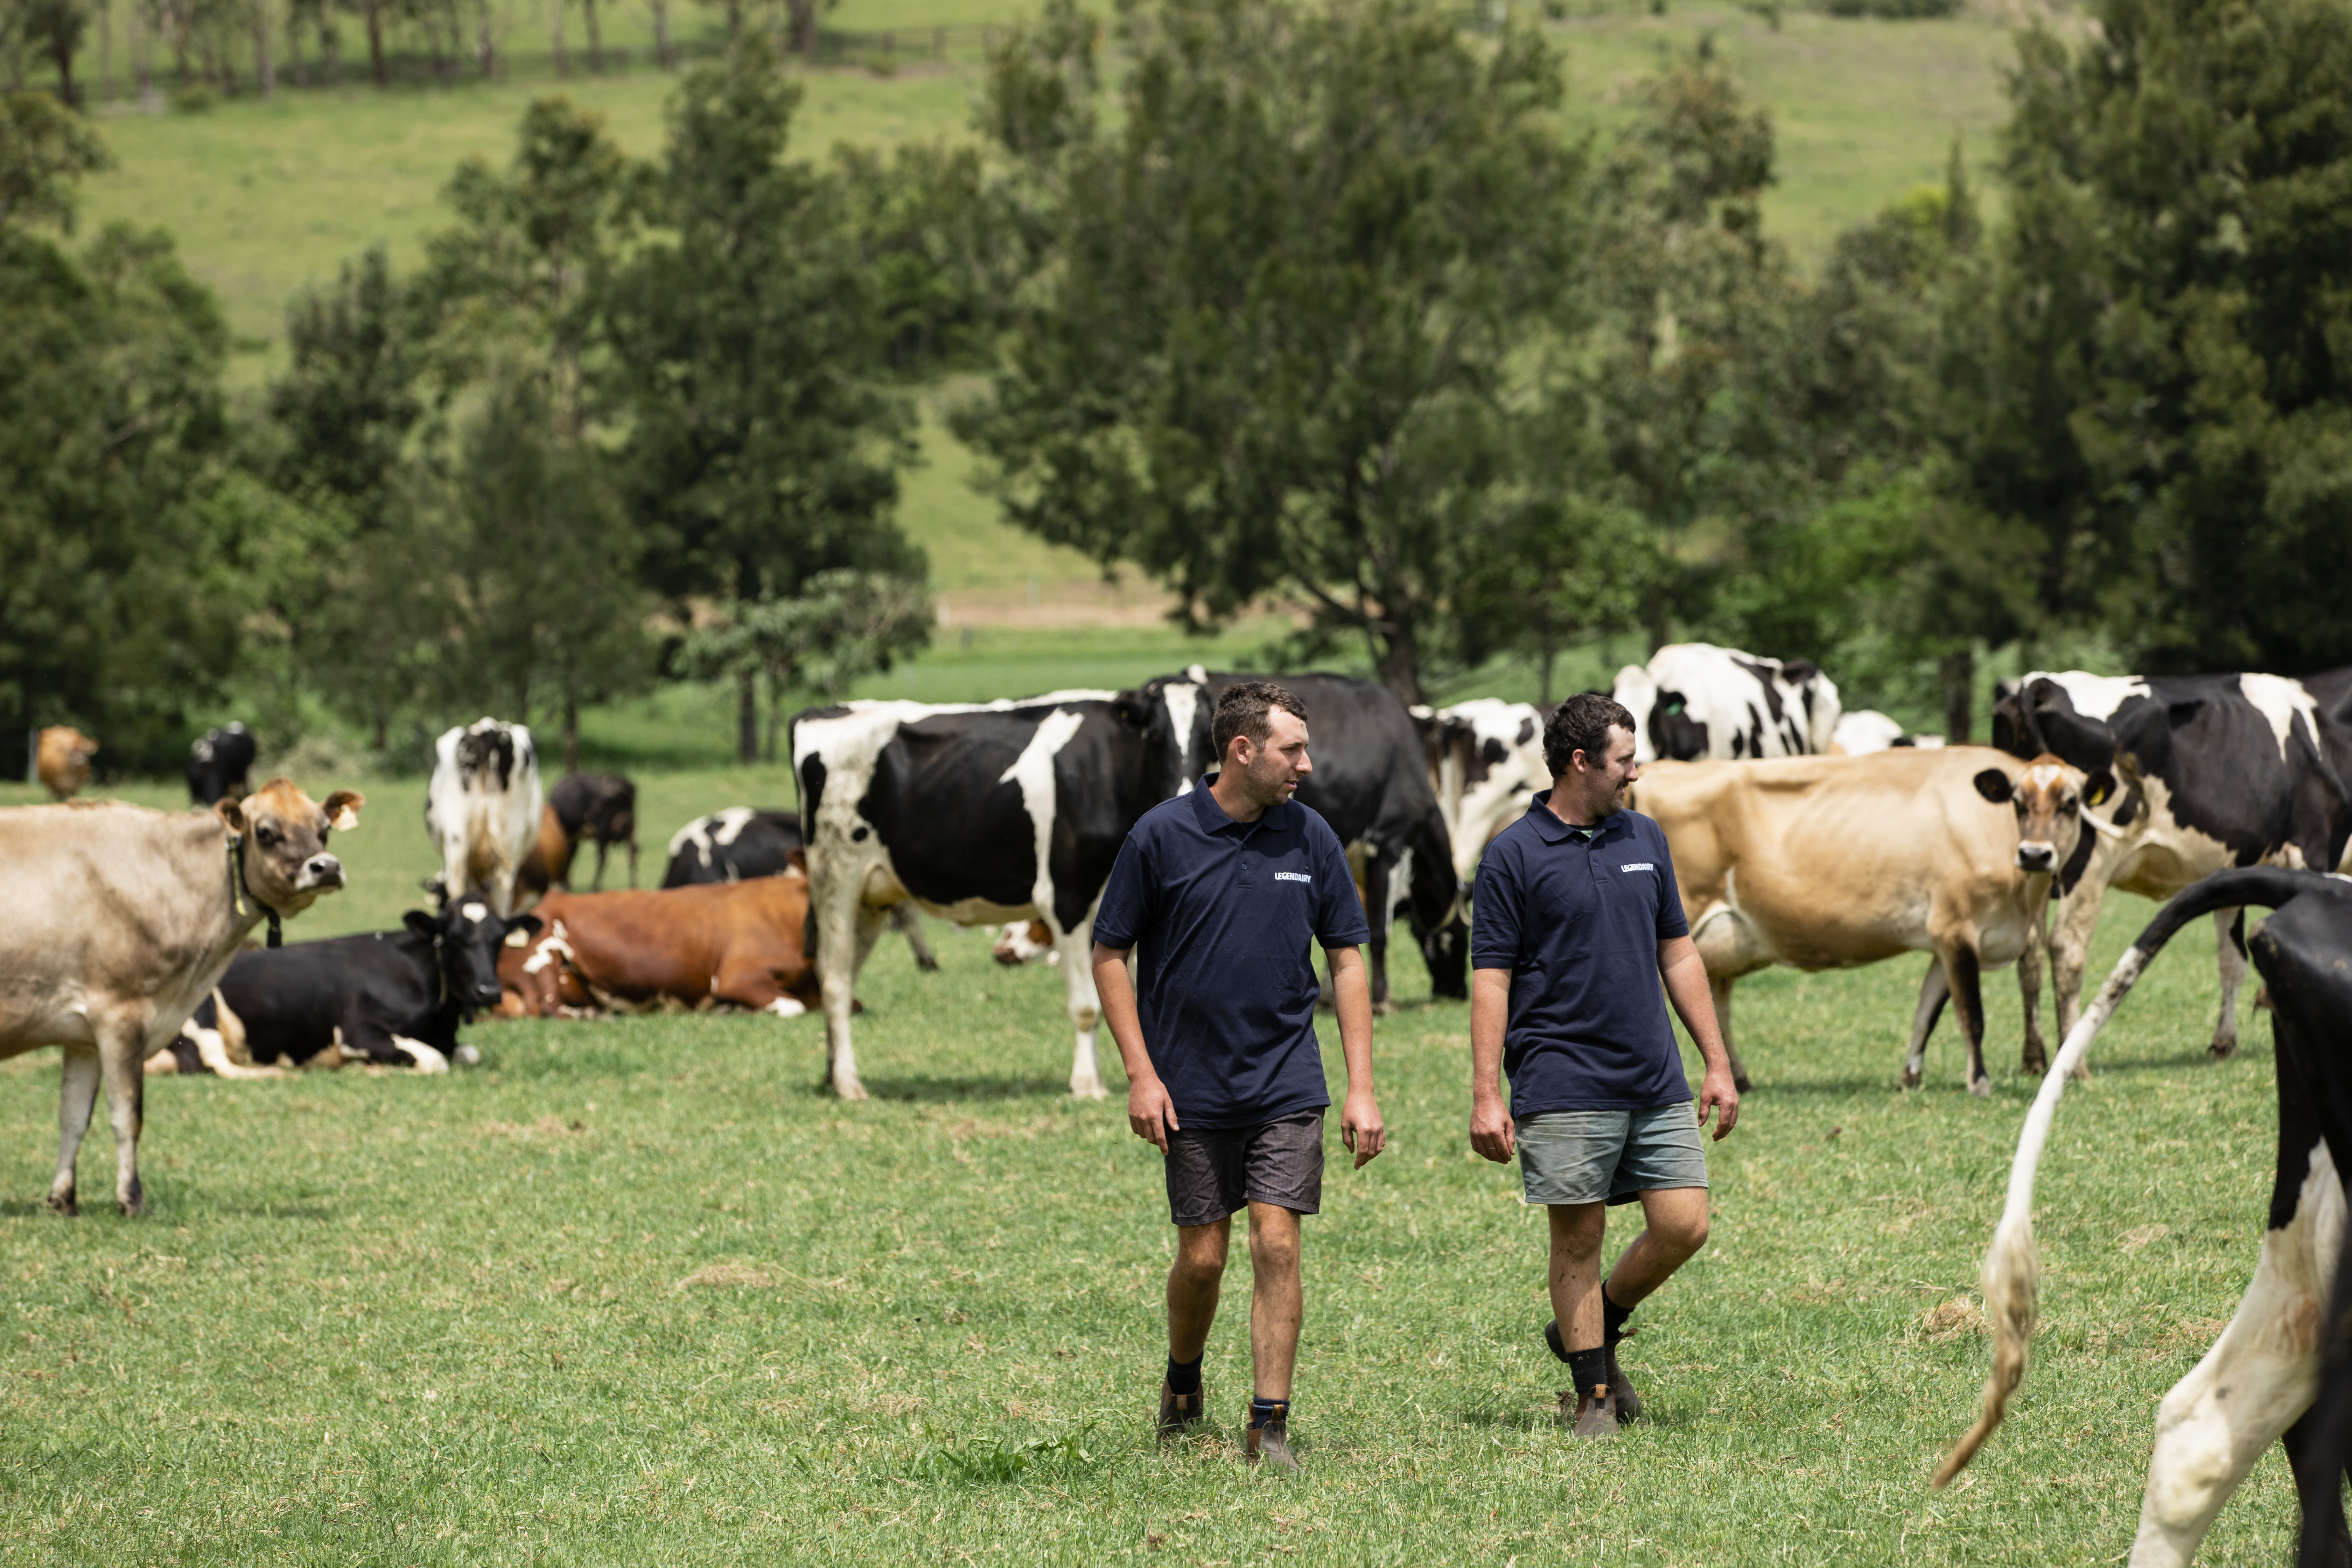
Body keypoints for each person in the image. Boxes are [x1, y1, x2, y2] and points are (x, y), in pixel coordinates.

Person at [1092, 680, 1386, 1475]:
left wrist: (1361, 1084)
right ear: (1242, 750)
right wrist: (1140, 1073)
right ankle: (1183, 1377)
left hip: (1288, 1079)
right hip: (1188, 1086)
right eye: (1292, 750)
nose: (1308, 764)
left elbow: (1348, 958)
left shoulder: (1312, 837)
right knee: (1203, 1258)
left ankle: (1270, 1423)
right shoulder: (1161, 835)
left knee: (1277, 1241)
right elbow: (1108, 952)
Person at [1467, 692, 1739, 1437]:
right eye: (1624, 759)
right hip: (1561, 1077)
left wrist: (1716, 1062)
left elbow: (1677, 950)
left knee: (1685, 1224)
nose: (1637, 771)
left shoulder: (1645, 836)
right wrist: (1487, 1092)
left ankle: (1594, 1326)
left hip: (1654, 1075)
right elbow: (1490, 974)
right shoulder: (1513, 854)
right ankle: (1593, 1396)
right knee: (1578, 1238)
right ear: (1581, 762)